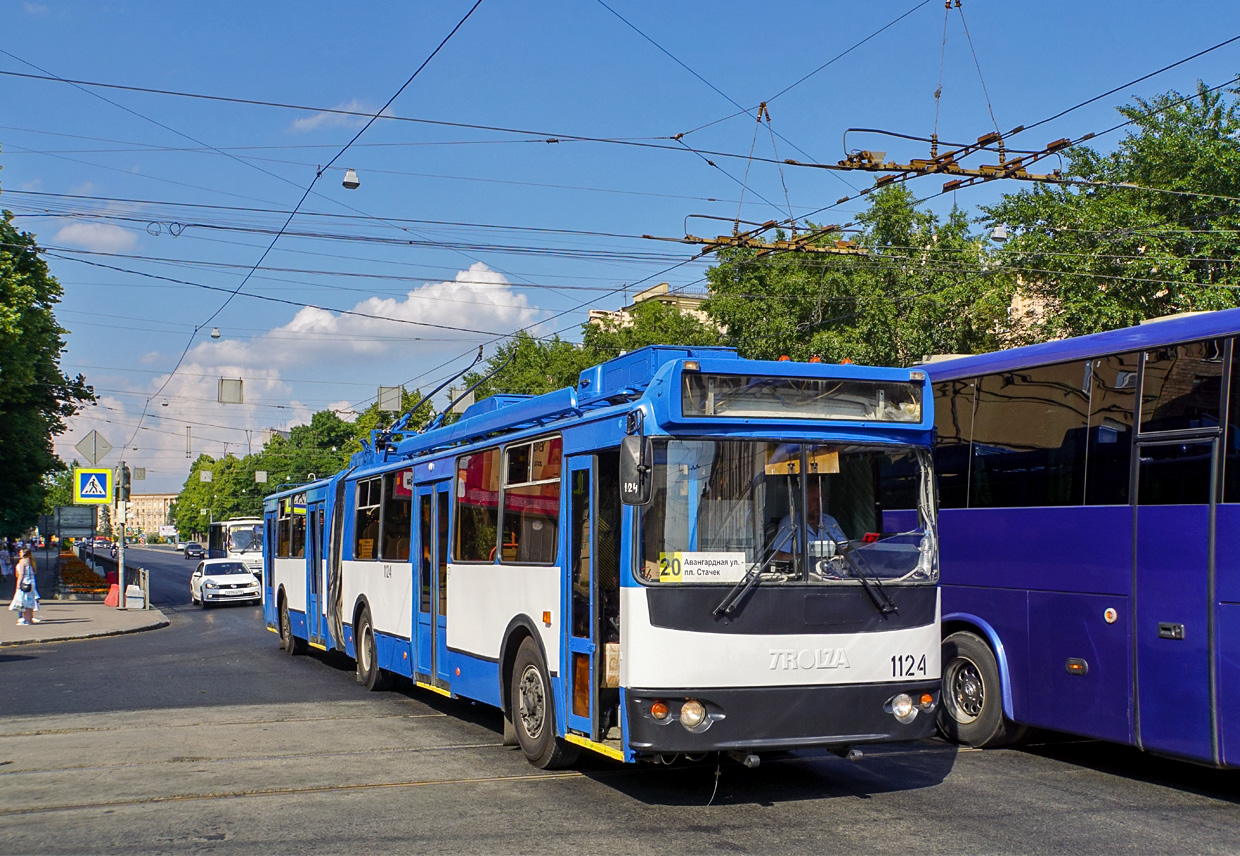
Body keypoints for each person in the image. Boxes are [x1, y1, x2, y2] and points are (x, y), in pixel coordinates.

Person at [771, 480, 848, 561]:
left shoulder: (830, 521)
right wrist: (808, 558)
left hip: (828, 568)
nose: (819, 504)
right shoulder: (791, 522)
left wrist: (848, 550)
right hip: (802, 568)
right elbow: (778, 556)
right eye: (814, 499)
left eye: (821, 499)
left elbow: (844, 547)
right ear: (803, 501)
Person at [9, 547, 40, 625]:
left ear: (24, 553)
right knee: (30, 602)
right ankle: (30, 619)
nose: (19, 553)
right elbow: (34, 572)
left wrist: (18, 584)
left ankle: (25, 620)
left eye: (21, 552)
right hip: (32, 583)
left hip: (25, 583)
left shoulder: (22, 561)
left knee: (24, 601)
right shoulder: (31, 561)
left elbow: (21, 574)